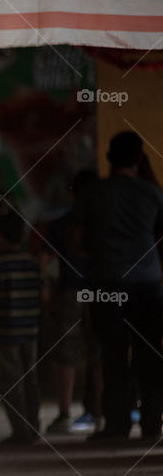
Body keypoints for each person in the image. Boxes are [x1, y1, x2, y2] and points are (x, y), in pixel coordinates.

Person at [74, 132, 163, 442]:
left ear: (110, 158)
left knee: (112, 355)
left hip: (107, 283)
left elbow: (79, 241)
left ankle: (117, 425)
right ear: (139, 160)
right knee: (149, 355)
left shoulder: (94, 193)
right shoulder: (153, 194)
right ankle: (152, 424)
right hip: (149, 285)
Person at [41, 169, 102, 434]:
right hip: (102, 293)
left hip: (70, 293)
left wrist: (46, 290)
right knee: (99, 354)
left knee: (66, 355)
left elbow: (43, 259)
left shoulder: (62, 222)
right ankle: (102, 413)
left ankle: (65, 414)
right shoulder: (105, 222)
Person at [0, 211, 43, 445]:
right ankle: (34, 426)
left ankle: (21, 432)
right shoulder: (32, 263)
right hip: (31, 331)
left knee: (12, 382)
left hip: (7, 332)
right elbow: (43, 294)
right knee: (31, 379)